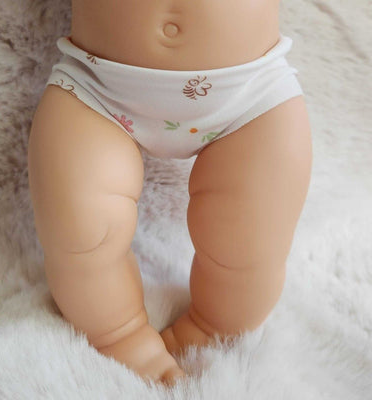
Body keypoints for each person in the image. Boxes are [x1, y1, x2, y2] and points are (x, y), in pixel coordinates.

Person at [27, 0, 312, 386]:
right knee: (81, 232)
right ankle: (118, 334)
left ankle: (213, 327)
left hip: (249, 95)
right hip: (97, 88)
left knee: (248, 245)